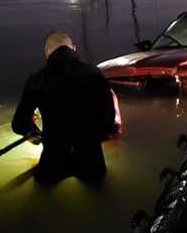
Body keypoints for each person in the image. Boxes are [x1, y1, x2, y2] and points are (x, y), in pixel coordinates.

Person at [12, 31, 117, 183]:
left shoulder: (36, 80)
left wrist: (37, 135)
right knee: (97, 188)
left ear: (47, 53)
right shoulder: (94, 74)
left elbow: (18, 125)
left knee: (43, 188)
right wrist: (95, 136)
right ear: (73, 48)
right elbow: (109, 119)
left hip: (54, 160)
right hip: (90, 160)